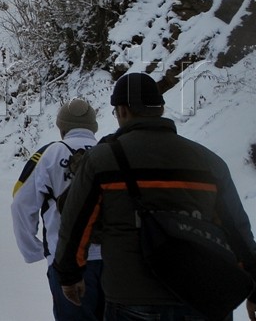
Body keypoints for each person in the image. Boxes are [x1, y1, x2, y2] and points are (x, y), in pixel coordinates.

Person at [55, 73, 256, 321]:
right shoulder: (209, 162)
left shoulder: (102, 160)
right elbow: (236, 228)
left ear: (122, 110)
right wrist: (254, 286)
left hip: (131, 297)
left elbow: (76, 223)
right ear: (160, 108)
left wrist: (70, 275)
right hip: (205, 295)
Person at [10, 98, 104, 321]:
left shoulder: (48, 155)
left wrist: (34, 250)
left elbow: (21, 205)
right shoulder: (110, 151)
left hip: (67, 260)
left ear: (62, 128)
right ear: (93, 127)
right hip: (115, 259)